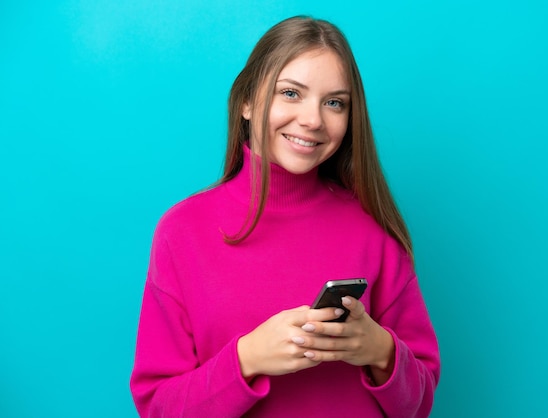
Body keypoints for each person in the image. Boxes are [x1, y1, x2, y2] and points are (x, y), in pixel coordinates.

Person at [130, 15, 440, 417]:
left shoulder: (372, 228)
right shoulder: (182, 232)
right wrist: (247, 359)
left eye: (334, 103)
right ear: (246, 101)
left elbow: (419, 404)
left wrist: (380, 350)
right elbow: (159, 408)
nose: (313, 119)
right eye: (291, 93)